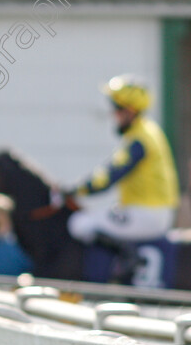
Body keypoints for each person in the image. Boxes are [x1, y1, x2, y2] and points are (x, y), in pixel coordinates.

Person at [64, 75, 180, 276]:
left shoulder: (141, 138)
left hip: (149, 214)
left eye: (117, 109)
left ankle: (128, 254)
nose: (113, 115)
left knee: (79, 224)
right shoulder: (145, 132)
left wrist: (76, 188)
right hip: (152, 211)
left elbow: (108, 178)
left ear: (130, 111)